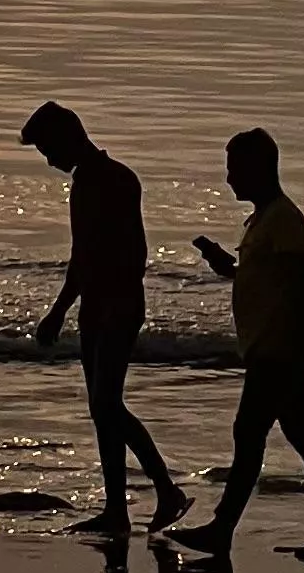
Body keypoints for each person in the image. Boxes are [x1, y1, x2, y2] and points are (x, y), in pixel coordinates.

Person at [169, 128, 304, 567]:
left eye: (235, 169)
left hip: (278, 353)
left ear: (258, 169)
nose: (229, 179)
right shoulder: (264, 220)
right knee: (299, 438)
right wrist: (226, 266)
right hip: (269, 350)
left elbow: (300, 290)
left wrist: (294, 353)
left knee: (251, 436)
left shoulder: (284, 220)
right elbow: (263, 281)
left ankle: (222, 530)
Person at [21, 102, 188, 537]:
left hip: (114, 306)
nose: (48, 159)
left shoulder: (98, 182)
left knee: (106, 405)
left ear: (67, 138)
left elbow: (88, 256)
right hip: (106, 304)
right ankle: (118, 507)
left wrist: (57, 312)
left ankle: (164, 490)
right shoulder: (114, 178)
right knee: (103, 409)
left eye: (47, 148)